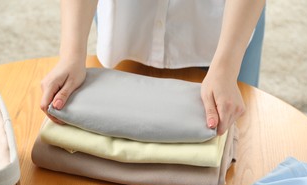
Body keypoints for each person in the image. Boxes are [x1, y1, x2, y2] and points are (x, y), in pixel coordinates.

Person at [40, 0, 266, 135]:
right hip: (130, 22)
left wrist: (225, 69)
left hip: (227, 27)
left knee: (233, 138)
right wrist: (71, 54)